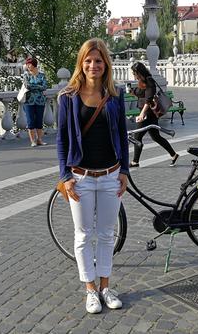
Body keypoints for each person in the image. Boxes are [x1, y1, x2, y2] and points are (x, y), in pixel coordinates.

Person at [56, 38, 129, 314]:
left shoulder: (115, 95)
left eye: (98, 60)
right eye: (88, 60)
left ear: (105, 64)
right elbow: (62, 141)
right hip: (81, 178)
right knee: (84, 235)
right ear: (81, 63)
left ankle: (106, 287)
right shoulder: (68, 97)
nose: (93, 65)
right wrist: (65, 176)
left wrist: (124, 171)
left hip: (110, 175)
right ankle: (89, 289)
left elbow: (122, 136)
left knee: (107, 234)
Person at [128, 62, 179, 168]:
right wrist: (133, 91)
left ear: (139, 72)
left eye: (135, 73)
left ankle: (135, 161)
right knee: (156, 137)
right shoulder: (143, 81)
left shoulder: (149, 81)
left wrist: (142, 114)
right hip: (148, 114)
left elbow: (149, 99)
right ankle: (173, 154)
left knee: (137, 137)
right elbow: (142, 93)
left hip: (148, 114)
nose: (134, 76)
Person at [22, 57, 49, 147]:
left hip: (40, 101)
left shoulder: (42, 75)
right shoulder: (26, 75)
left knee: (39, 121)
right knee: (30, 121)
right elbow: (27, 86)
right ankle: (33, 141)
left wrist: (34, 86)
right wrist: (38, 86)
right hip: (29, 101)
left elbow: (44, 86)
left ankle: (39, 140)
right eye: (27, 64)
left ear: (34, 64)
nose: (27, 66)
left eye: (29, 64)